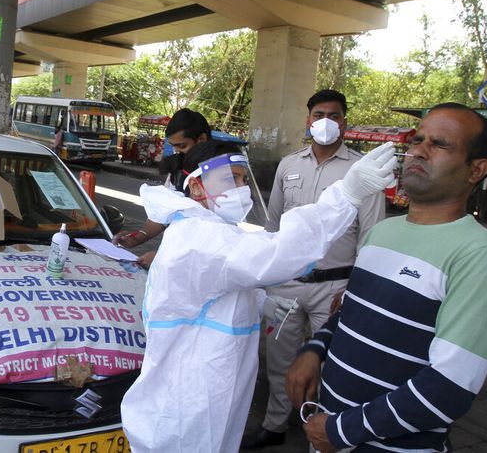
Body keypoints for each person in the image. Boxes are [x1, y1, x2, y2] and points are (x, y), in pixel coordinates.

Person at [121, 138, 397, 453]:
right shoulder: (201, 238)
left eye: (242, 178)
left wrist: (260, 302)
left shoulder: (200, 228)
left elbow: (214, 291)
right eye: (230, 179)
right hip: (190, 398)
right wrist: (345, 196)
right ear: (196, 188)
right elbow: (280, 251)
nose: (242, 188)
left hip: (199, 386)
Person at [286, 103, 487, 453]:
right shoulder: (383, 232)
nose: (418, 151)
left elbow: (449, 387)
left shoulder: (480, 255)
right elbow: (353, 312)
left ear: (477, 170)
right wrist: (315, 349)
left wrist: (342, 430)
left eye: (440, 145)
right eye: (418, 139)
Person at [242, 89, 386, 449]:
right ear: (308, 120)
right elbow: (273, 225)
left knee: (328, 366)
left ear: (344, 122)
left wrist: (353, 290)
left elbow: (371, 237)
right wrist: (268, 278)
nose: (325, 122)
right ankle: (274, 425)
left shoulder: (361, 171)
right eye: (318, 114)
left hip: (335, 287)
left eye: (334, 115)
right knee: (278, 358)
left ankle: (319, 435)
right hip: (288, 284)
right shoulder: (288, 165)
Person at [112, 108, 212, 268]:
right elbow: (164, 213)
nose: (177, 152)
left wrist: (164, 258)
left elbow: (214, 238)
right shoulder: (178, 173)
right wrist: (137, 238)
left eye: (182, 146)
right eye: (174, 147)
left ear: (201, 139)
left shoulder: (221, 175)